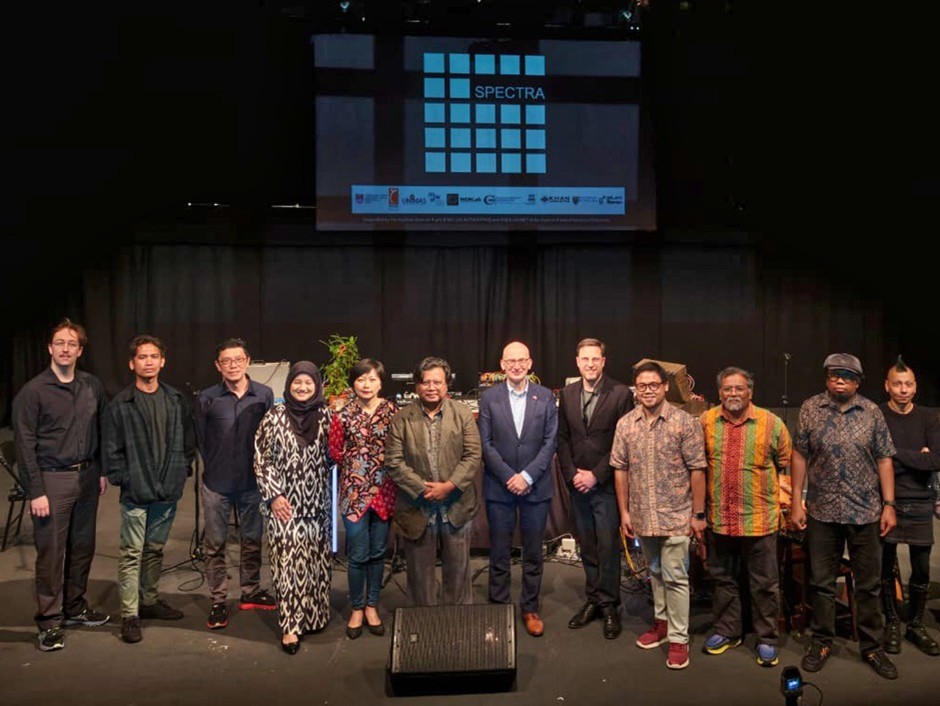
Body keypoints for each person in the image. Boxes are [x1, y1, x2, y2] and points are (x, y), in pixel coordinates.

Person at [788, 353, 899, 679]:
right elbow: (799, 455)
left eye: (847, 376)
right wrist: (796, 500)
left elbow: (884, 459)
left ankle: (872, 646)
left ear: (857, 382)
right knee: (821, 583)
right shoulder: (811, 408)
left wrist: (889, 504)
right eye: (835, 375)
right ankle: (821, 640)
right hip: (822, 510)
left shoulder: (872, 412)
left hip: (865, 510)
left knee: (869, 585)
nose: (840, 380)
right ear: (826, 378)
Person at [12, 317, 110, 652]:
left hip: (86, 479)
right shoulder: (33, 392)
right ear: (49, 348)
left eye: (72, 344)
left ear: (80, 350)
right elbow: (24, 445)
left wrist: (101, 470)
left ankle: (75, 607)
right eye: (60, 343)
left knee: (83, 547)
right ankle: (49, 621)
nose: (65, 349)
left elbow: (100, 430)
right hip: (51, 481)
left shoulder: (91, 386)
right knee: (51, 554)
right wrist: (35, 490)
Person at [610, 360, 707, 670]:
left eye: (654, 384)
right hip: (642, 516)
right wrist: (624, 511)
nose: (648, 390)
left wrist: (698, 514)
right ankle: (662, 625)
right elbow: (620, 471)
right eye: (642, 386)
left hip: (677, 515)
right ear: (635, 390)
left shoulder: (684, 422)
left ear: (666, 386)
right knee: (655, 572)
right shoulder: (626, 424)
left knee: (676, 577)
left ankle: (679, 639)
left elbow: (697, 471)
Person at [102, 334, 197, 644]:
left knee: (155, 549)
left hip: (167, 488)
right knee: (131, 553)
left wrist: (182, 470)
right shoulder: (121, 403)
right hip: (136, 490)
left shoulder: (175, 399)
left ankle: (149, 600)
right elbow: (111, 448)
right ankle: (130, 615)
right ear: (132, 363)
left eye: (153, 356)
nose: (148, 362)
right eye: (142, 357)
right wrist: (123, 478)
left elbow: (187, 440)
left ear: (162, 361)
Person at [699, 366, 792, 667]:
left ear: (750, 391)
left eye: (739, 388)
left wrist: (790, 504)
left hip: (760, 520)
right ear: (719, 393)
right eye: (728, 389)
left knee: (764, 583)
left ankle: (766, 638)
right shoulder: (706, 421)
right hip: (720, 518)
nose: (733, 394)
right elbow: (696, 468)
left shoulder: (772, 423)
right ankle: (728, 631)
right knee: (723, 579)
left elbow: (787, 464)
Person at [385, 356, 482, 607]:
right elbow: (394, 462)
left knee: (458, 573)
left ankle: (458, 625)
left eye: (437, 382)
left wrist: (449, 486)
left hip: (456, 505)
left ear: (446, 385)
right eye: (425, 382)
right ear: (417, 386)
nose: (431, 387)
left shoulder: (462, 413)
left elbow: (473, 455)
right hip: (417, 506)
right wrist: (423, 489)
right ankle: (424, 629)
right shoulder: (402, 418)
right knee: (419, 577)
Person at [195, 337, 275, 631]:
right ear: (218, 365)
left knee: (252, 541)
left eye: (237, 359)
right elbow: (201, 439)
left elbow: (269, 438)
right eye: (226, 361)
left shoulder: (264, 395)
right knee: (215, 544)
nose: (232, 365)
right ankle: (218, 599)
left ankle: (251, 590)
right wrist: (216, 465)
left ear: (247, 361)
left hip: (253, 484)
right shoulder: (207, 398)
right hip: (217, 484)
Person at [479, 341, 558, 638]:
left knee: (534, 553)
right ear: (502, 365)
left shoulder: (546, 397)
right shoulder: (489, 398)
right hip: (499, 488)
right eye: (510, 360)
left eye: (521, 360)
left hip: (535, 489)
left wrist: (526, 476)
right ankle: (499, 607)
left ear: (529, 363)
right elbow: (484, 443)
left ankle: (530, 608)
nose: (516, 365)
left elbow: (550, 442)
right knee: (499, 552)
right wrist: (510, 476)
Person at [254, 361, 334, 654]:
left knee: (315, 562)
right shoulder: (274, 415)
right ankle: (290, 626)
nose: (302, 388)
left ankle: (314, 616)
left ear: (317, 386)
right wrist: (274, 496)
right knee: (287, 565)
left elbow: (336, 452)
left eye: (308, 383)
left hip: (317, 504)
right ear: (288, 385)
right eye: (297, 383)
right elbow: (262, 459)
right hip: (284, 506)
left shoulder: (325, 415)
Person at [557, 338, 633, 640]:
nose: (590, 364)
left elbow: (622, 440)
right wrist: (573, 474)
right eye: (585, 359)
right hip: (577, 484)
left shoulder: (620, 394)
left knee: (607, 546)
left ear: (603, 362)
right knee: (586, 543)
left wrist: (596, 475)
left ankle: (610, 604)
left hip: (605, 484)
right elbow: (562, 439)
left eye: (595, 359)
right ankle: (593, 599)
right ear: (577, 362)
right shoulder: (567, 393)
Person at [328, 358, 399, 640]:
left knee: (378, 552)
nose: (366, 384)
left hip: (385, 491)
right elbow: (334, 452)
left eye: (371, 379)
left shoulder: (394, 412)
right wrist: (360, 465)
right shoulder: (342, 415)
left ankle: (372, 605)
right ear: (353, 383)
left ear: (380, 382)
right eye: (360, 379)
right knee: (358, 554)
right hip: (354, 493)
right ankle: (357, 607)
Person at [878, 357, 940, 656]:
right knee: (885, 565)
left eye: (908, 384)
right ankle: (891, 621)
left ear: (915, 388)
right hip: (885, 500)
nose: (903, 389)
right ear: (887, 386)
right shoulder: (877, 415)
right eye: (897, 384)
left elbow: (935, 461)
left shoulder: (928, 417)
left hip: (919, 501)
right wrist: (917, 457)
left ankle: (915, 624)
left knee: (921, 568)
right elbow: (873, 461)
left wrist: (893, 455)